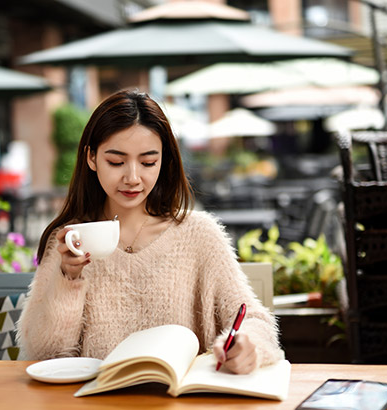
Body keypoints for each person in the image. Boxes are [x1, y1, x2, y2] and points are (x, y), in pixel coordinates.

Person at [16, 89, 284, 374]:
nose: (132, 178)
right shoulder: (70, 239)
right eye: (116, 162)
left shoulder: (199, 235)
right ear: (91, 158)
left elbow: (254, 320)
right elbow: (43, 355)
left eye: (147, 162)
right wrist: (68, 279)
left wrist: (246, 345)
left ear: (164, 161)